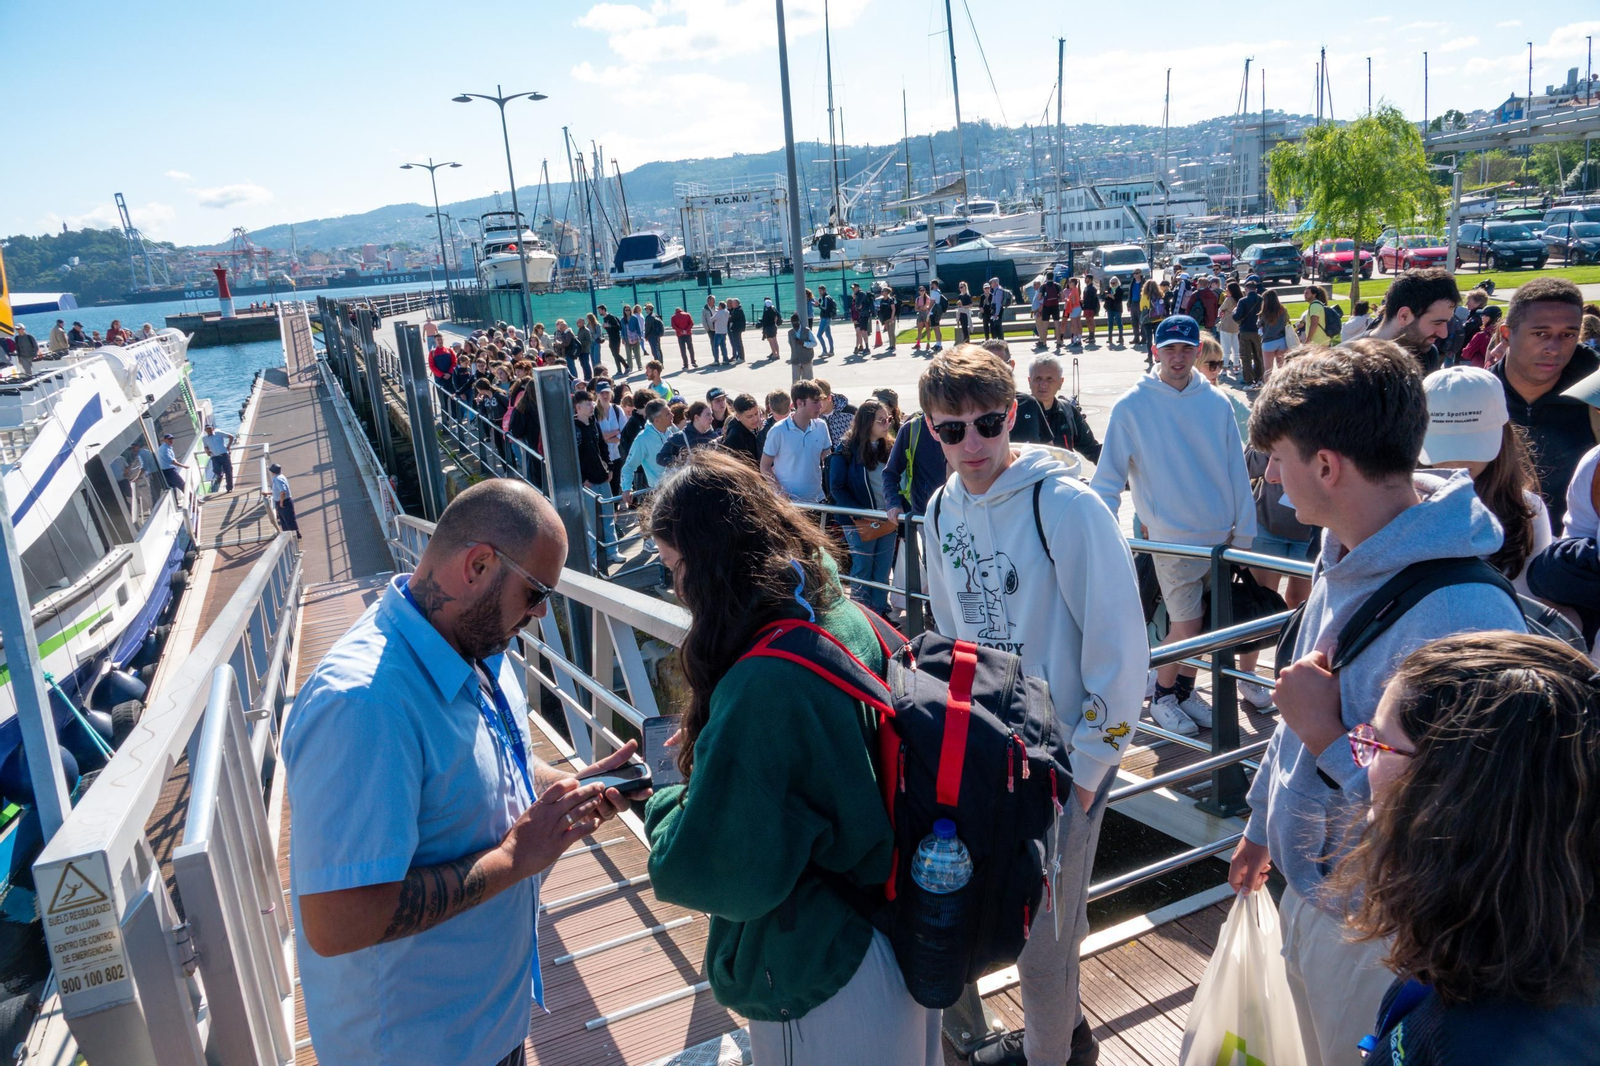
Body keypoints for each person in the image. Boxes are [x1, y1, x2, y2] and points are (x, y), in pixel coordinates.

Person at [1231, 340, 1527, 1066]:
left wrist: (1327, 732)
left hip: (1385, 931)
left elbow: (1454, 811)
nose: (1270, 477)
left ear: (1326, 465)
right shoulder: (1343, 546)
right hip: (1320, 889)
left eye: (1278, 459)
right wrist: (1263, 825)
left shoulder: (1463, 613)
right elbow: (1303, 721)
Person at [285, 480, 641, 1066]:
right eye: (535, 592)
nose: (540, 613)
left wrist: (571, 788)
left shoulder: (477, 649)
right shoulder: (363, 705)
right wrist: (513, 859)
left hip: (490, 1025)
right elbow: (337, 920)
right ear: (478, 564)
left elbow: (492, 767)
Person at [642, 450, 941, 1065]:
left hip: (824, 967)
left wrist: (668, 798)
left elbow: (715, 870)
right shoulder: (840, 611)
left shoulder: (764, 687)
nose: (675, 587)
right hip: (901, 930)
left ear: (710, 567)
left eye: (676, 567)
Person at [916, 346, 1146, 1066]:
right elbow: (955, 640)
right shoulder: (938, 510)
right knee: (975, 912)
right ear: (930, 430)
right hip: (993, 756)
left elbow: (1120, 649)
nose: (973, 444)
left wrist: (1086, 771)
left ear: (1011, 413)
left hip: (1071, 756)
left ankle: (1057, 1055)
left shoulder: (1068, 506)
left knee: (1045, 944)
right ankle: (1064, 1039)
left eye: (987, 423)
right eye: (952, 431)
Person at [1329, 632, 1600, 1064]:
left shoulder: (1495, 1047)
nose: (1363, 759)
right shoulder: (1511, 930)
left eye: (1377, 744)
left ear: (1459, 790)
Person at [1090, 316, 1256, 737]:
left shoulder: (1216, 402)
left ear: (1197, 352)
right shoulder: (1132, 405)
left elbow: (1235, 468)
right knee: (1186, 626)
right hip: (1173, 541)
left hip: (1220, 540)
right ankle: (1162, 695)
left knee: (1205, 626)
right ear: (1155, 352)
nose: (1178, 358)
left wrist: (1245, 529)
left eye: (1186, 349)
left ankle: (1182, 691)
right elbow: (1108, 479)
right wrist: (1097, 534)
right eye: (1170, 349)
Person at [1420, 366, 1549, 595]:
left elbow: (1529, 605)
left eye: (1470, 443)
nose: (1456, 460)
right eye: (1444, 446)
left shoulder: (1528, 512)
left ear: (1503, 438)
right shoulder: (1393, 505)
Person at [1492, 277, 1597, 531]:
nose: (1554, 348)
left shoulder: (1594, 397)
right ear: (1507, 334)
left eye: (1567, 335)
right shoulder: (1479, 397)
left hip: (1576, 558)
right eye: (1540, 333)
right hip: (1488, 558)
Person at [827, 399, 897, 612]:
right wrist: (860, 514)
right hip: (858, 520)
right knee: (863, 568)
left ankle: (880, 612)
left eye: (889, 419)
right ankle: (863, 614)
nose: (887, 424)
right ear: (867, 423)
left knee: (882, 569)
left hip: (886, 517)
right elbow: (836, 487)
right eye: (882, 420)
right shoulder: (846, 449)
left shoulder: (891, 447)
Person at [1368, 268, 1461, 376]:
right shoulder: (1350, 363)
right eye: (1437, 323)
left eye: (1447, 323)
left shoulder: (1428, 354)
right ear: (1404, 316)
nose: (1444, 334)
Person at [1010, 354, 1102, 461]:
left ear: (1060, 383)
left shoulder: (1068, 412)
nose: (1043, 384)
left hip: (1064, 475)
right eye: (1038, 379)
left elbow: (1093, 450)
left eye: (1050, 379)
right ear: (1029, 381)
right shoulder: (1015, 414)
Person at [761, 379, 832, 503]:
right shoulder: (778, 431)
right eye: (815, 402)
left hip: (818, 500)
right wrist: (780, 492)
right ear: (800, 403)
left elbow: (828, 459)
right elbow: (765, 466)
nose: (820, 406)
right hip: (790, 506)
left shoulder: (821, 426)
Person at [620, 399, 681, 508]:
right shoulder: (642, 439)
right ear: (657, 420)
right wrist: (627, 489)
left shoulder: (672, 428)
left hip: (679, 486)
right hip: (661, 495)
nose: (672, 415)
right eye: (668, 413)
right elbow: (629, 467)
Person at [656, 400, 720, 466]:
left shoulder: (714, 436)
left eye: (711, 414)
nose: (712, 418)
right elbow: (660, 458)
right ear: (696, 417)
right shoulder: (679, 438)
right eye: (708, 415)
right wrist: (680, 461)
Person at [1233, 275, 1264, 388]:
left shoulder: (1242, 301)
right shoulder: (1261, 299)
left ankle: (1249, 381)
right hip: (1258, 331)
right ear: (1255, 289)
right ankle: (1260, 379)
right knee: (1258, 356)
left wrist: (1234, 314)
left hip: (1245, 331)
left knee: (1246, 357)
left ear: (1246, 289)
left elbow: (1237, 317)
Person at [720, 393, 765, 467]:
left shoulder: (756, 426)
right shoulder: (735, 438)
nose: (755, 419)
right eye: (749, 416)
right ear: (738, 416)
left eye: (756, 413)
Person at [1259, 289, 1291, 379]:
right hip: (1282, 340)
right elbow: (1286, 322)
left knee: (1268, 369)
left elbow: (1260, 324)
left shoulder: (1264, 312)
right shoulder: (1283, 310)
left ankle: (1268, 389)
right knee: (1282, 367)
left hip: (1268, 341)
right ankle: (1283, 387)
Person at [267, 462, 301, 539]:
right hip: (282, 501)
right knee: (285, 521)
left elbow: (282, 491)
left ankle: (295, 537)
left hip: (284, 502)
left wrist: (281, 502)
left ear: (273, 472)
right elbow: (279, 491)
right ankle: (290, 537)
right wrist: (269, 493)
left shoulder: (278, 479)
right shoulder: (280, 477)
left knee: (288, 521)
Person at [201, 422, 236, 494]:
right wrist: (207, 451)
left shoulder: (218, 433)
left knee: (228, 471)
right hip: (215, 457)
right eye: (207, 429)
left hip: (224, 455)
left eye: (210, 429)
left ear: (212, 428)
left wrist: (228, 446)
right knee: (216, 470)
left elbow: (231, 437)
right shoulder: (204, 438)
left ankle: (229, 488)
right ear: (205, 430)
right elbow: (205, 446)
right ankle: (219, 475)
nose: (209, 430)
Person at [1216, 280, 1242, 371]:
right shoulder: (1240, 299)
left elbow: (1220, 309)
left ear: (1231, 291)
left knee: (1225, 347)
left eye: (1227, 289)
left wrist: (1222, 311)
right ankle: (1236, 366)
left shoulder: (1229, 299)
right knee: (1236, 347)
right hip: (1236, 326)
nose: (1226, 291)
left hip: (1226, 325)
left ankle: (1225, 367)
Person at [787, 313, 818, 380]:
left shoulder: (807, 331)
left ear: (799, 321)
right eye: (792, 322)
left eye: (795, 322)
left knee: (808, 380)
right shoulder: (790, 333)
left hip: (806, 359)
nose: (794, 324)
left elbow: (814, 343)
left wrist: (804, 343)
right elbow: (790, 344)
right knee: (795, 381)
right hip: (795, 359)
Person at [599, 304, 625, 374]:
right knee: (614, 354)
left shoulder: (611, 317)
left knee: (616, 354)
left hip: (616, 338)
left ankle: (626, 366)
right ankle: (619, 370)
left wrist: (609, 325)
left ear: (604, 310)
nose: (599, 312)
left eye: (600, 310)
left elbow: (618, 327)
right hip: (611, 338)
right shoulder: (604, 318)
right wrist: (605, 327)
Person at [1103, 275, 1125, 348]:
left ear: (1117, 282)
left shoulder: (1120, 290)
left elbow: (1119, 299)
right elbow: (1104, 297)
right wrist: (1107, 296)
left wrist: (1113, 297)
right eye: (1111, 283)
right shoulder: (1109, 289)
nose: (1112, 284)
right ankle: (1110, 338)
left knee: (1119, 322)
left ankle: (1121, 337)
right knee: (1110, 323)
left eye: (1114, 283)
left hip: (1117, 308)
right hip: (1110, 308)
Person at [876, 284, 898, 354]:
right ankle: (890, 345)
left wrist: (892, 318)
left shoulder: (890, 300)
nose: (882, 292)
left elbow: (893, 309)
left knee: (892, 332)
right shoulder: (882, 300)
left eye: (883, 291)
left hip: (891, 318)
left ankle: (893, 346)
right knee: (888, 332)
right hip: (885, 318)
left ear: (886, 292)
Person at [816, 284, 836, 355]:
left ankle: (825, 351)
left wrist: (818, 305)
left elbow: (825, 308)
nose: (820, 292)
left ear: (824, 290)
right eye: (819, 291)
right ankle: (831, 351)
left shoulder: (826, 298)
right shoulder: (825, 297)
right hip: (826, 318)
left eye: (821, 291)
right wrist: (818, 304)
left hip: (825, 318)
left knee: (819, 335)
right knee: (828, 335)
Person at [1081, 275, 1100, 348]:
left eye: (1086, 278)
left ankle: (1092, 336)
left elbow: (1092, 299)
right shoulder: (1086, 287)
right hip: (1086, 307)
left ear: (1090, 279)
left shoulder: (1092, 288)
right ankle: (1090, 335)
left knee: (1091, 320)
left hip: (1091, 307)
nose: (1085, 279)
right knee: (1087, 321)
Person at [726, 298, 747, 362]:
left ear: (736, 303)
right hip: (736, 328)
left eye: (733, 303)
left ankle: (741, 357)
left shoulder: (738, 310)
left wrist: (729, 317)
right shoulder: (737, 309)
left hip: (737, 329)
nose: (732, 304)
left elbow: (732, 318)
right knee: (737, 343)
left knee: (738, 343)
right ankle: (739, 357)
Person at [712, 301, 731, 365]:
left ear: (720, 306)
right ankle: (725, 359)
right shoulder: (727, 312)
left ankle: (716, 360)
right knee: (723, 346)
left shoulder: (719, 313)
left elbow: (712, 319)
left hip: (718, 331)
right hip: (724, 331)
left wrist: (716, 312)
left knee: (715, 346)